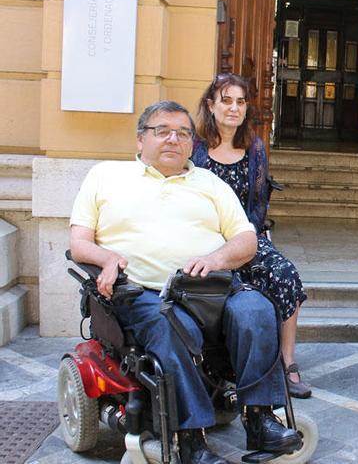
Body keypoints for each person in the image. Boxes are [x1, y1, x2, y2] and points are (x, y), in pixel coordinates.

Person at [69, 101, 300, 464]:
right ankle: (191, 438)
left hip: (210, 287)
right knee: (170, 324)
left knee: (257, 309)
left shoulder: (210, 183)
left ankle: (260, 419)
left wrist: (215, 259)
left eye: (183, 133)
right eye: (162, 131)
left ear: (192, 144)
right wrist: (106, 258)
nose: (173, 139)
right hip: (144, 292)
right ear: (139, 141)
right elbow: (79, 243)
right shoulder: (105, 176)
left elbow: (246, 240)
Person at [191, 73, 311, 399]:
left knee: (286, 275)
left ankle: (287, 361)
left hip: (247, 238)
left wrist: (243, 241)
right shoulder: (196, 150)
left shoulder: (254, 147)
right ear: (210, 105)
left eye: (240, 101)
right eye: (226, 100)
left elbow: (258, 206)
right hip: (206, 241)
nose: (234, 108)